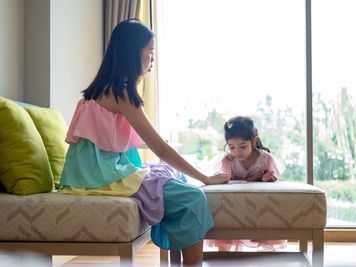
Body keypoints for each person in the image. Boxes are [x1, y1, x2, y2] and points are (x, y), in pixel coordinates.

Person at [58, 19, 230, 266]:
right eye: (150, 51)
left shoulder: (104, 89)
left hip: (91, 172)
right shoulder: (121, 92)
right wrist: (205, 178)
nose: (152, 58)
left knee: (173, 178)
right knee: (192, 197)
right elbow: (159, 148)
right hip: (104, 175)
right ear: (132, 53)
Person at [206, 116, 287, 252]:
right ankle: (223, 255)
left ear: (254, 141)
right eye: (231, 147)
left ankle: (268, 253)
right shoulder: (228, 160)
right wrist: (252, 179)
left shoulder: (265, 158)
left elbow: (272, 183)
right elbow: (226, 184)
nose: (237, 152)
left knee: (268, 209)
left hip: (259, 204)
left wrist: (267, 178)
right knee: (225, 209)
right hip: (233, 204)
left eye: (243, 146)